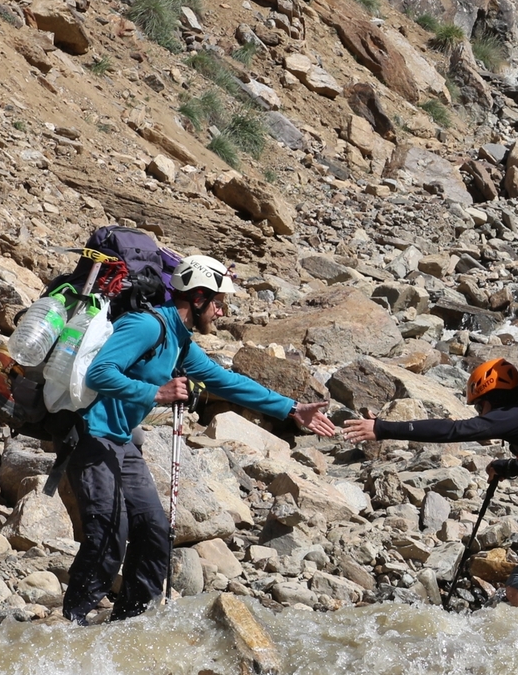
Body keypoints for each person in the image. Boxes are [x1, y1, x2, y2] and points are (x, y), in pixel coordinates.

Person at [64, 255, 337, 623]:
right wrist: (156, 392)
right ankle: (71, 625)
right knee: (109, 534)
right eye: (218, 303)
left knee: (155, 532)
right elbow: (99, 373)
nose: (222, 312)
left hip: (123, 441)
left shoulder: (180, 342)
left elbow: (227, 382)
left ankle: (129, 624)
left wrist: (291, 409)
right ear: (197, 298)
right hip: (91, 435)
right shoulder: (146, 326)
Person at [343, 354, 518, 627]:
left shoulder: (514, 415)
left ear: (490, 397)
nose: (480, 414)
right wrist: (509, 467)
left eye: (480, 407)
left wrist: (383, 428)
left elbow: (455, 430)